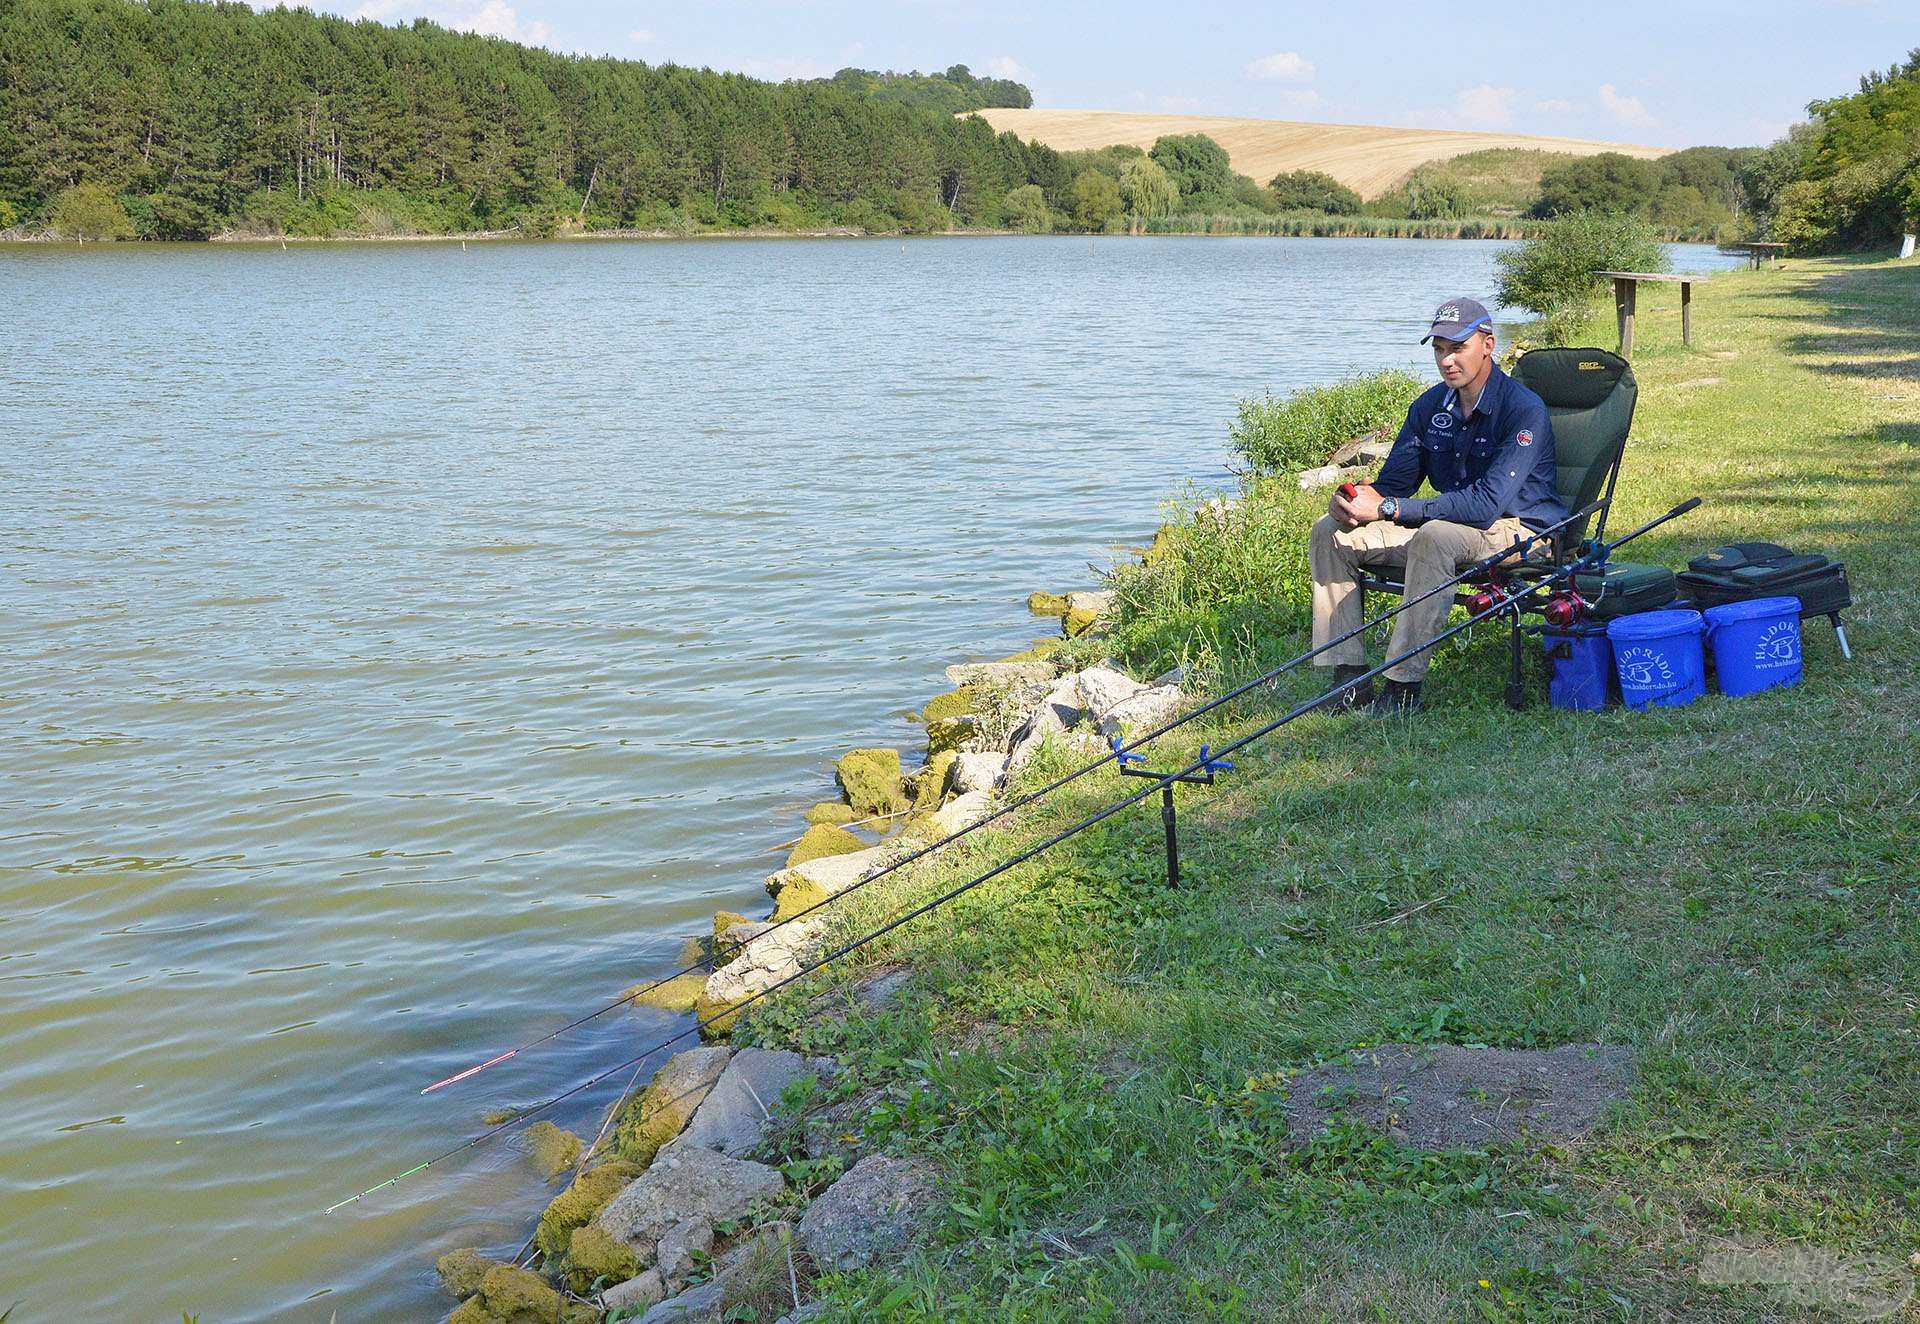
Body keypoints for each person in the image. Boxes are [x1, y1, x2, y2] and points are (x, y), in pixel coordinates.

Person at [1309, 297, 1566, 716]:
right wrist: (1354, 499)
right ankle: (1348, 678)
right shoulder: (1429, 407)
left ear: (1488, 345)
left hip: (1521, 530)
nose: (1447, 360)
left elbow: (1485, 506)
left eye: (1457, 347)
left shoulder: (1523, 409)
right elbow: (1393, 486)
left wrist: (1391, 509)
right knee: (1329, 531)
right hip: (1452, 527)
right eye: (1439, 349)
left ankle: (1402, 688)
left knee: (1435, 535)